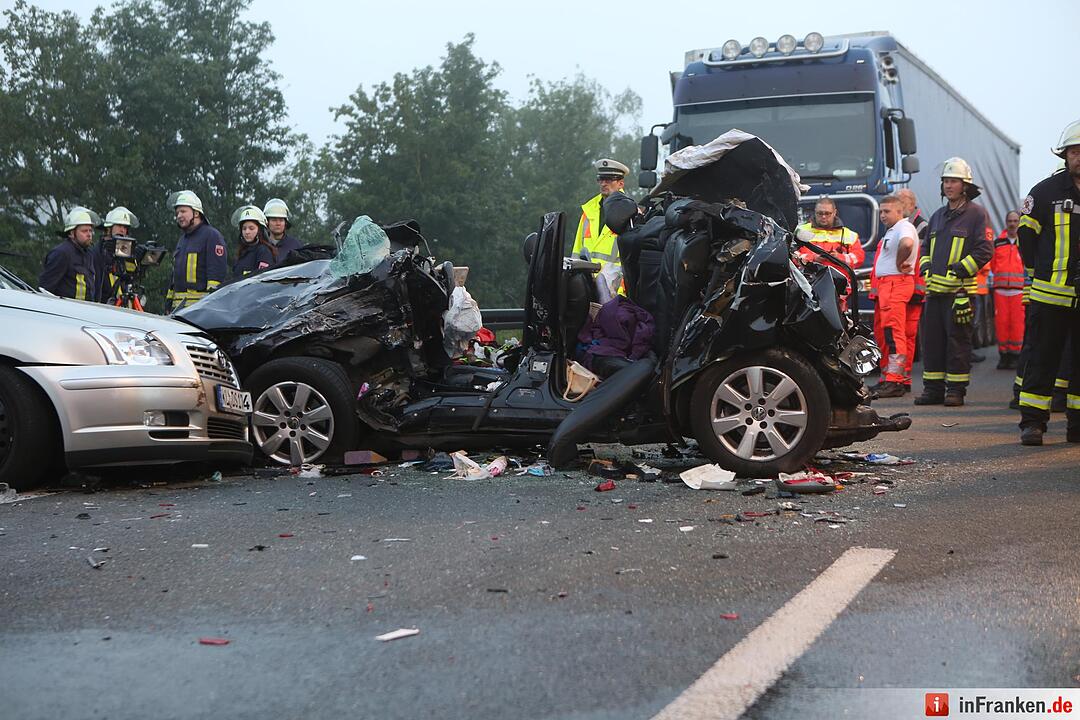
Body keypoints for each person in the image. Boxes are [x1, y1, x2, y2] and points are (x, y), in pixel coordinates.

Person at [1016, 119, 1080, 445]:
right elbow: (1025, 239)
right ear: (1065, 155)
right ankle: (1033, 424)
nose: (1079, 156)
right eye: (1074, 150)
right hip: (1050, 295)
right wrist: (1040, 272)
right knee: (1042, 360)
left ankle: (1076, 426)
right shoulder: (1044, 193)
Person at [914, 157, 993, 407]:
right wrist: (926, 269)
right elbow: (925, 247)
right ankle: (933, 389)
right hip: (934, 294)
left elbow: (984, 250)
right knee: (932, 343)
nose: (949, 186)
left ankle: (955, 391)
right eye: (946, 181)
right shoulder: (938, 216)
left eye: (954, 181)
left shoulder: (977, 215)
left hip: (960, 294)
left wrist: (959, 271)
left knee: (958, 344)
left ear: (965, 186)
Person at [869, 196, 918, 398]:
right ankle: (894, 377)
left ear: (899, 212)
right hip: (888, 285)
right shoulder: (894, 230)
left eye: (887, 211)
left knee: (893, 334)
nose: (882, 215)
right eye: (881, 211)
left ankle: (894, 381)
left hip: (895, 283)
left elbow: (906, 244)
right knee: (885, 333)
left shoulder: (903, 228)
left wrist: (899, 262)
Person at [165, 190, 227, 312]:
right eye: (177, 213)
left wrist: (209, 306)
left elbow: (216, 275)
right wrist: (168, 302)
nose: (179, 216)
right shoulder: (182, 240)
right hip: (177, 311)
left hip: (199, 311)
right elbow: (174, 277)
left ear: (196, 213)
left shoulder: (212, 236)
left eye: (183, 211)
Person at [572, 159, 629, 273]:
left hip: (613, 288)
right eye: (601, 179)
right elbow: (576, 252)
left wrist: (621, 290)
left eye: (609, 180)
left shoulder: (630, 212)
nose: (603, 184)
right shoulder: (588, 210)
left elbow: (631, 260)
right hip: (585, 285)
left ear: (620, 183)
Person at [39, 207, 100, 301]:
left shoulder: (89, 254)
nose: (89, 234)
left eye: (90, 230)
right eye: (84, 231)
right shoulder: (61, 253)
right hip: (64, 311)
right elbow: (45, 290)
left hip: (85, 311)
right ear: (72, 233)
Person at [990, 211, 1025, 369]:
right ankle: (1003, 355)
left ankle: (1015, 355)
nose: (1012, 224)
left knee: (1017, 324)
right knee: (1001, 323)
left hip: (1018, 290)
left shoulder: (1024, 242)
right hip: (1000, 290)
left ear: (1019, 222)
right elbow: (992, 263)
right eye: (1010, 220)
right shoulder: (998, 242)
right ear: (1006, 222)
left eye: (1015, 221)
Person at [795, 197, 865, 269]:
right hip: (809, 278)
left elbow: (859, 258)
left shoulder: (849, 235)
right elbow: (791, 256)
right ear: (815, 212)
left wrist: (838, 257)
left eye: (827, 213)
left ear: (834, 212)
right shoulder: (801, 231)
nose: (824, 216)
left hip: (839, 278)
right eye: (820, 213)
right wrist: (813, 258)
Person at [96, 206, 140, 304]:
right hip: (103, 306)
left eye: (125, 227)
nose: (122, 230)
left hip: (121, 305)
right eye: (119, 226)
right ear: (108, 228)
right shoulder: (97, 252)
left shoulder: (126, 254)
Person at [231, 205, 276, 278]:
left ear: (260, 230)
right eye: (244, 228)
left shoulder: (263, 252)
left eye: (251, 228)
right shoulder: (241, 253)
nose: (247, 232)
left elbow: (262, 280)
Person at [263, 198, 303, 266]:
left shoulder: (296, 245)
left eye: (281, 220)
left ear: (285, 223)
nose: (278, 223)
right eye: (274, 220)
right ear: (267, 222)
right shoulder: (261, 246)